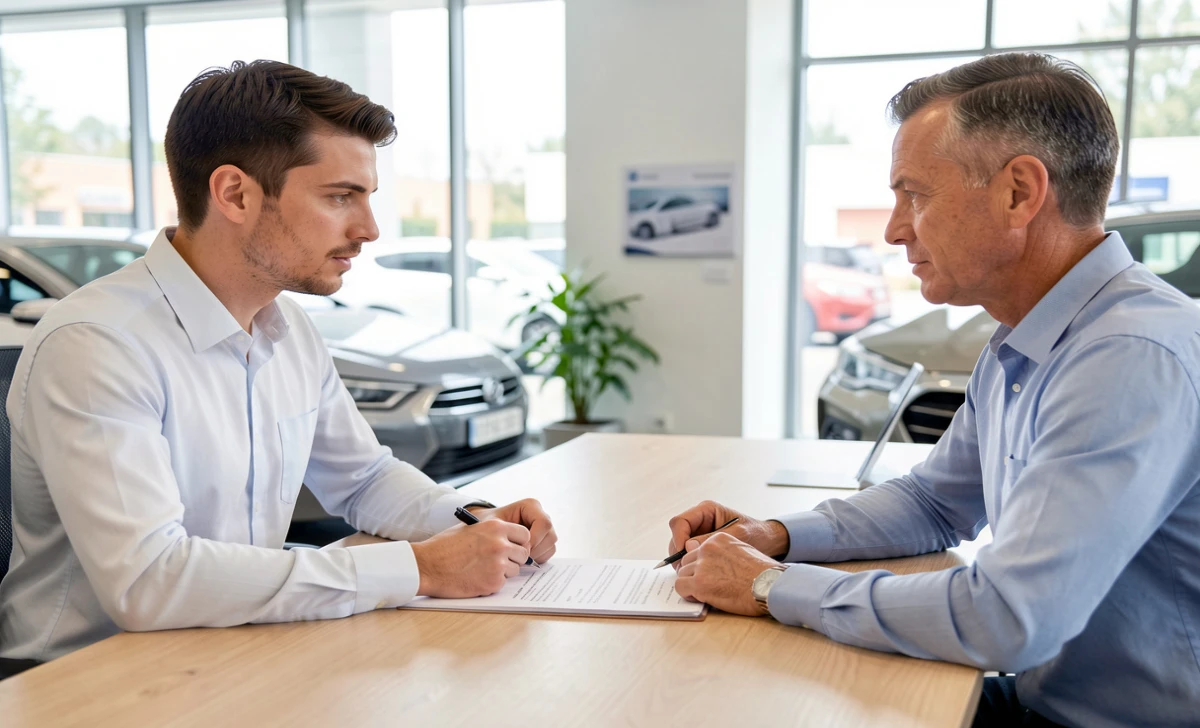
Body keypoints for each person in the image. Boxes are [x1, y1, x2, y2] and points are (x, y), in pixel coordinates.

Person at [667, 53, 1200, 728]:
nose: (893, 229)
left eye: (914, 194)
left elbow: (1010, 617)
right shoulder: (1027, 338)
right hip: (1045, 700)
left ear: (1019, 192)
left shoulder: (1128, 357)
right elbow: (934, 503)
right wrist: (772, 537)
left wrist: (771, 587)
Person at [0, 60, 556, 662]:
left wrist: (474, 521)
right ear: (235, 193)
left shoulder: (287, 327)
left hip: (229, 649)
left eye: (367, 198)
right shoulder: (99, 343)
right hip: (84, 680)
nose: (368, 229)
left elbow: (364, 479)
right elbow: (148, 580)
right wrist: (418, 567)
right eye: (341, 197)